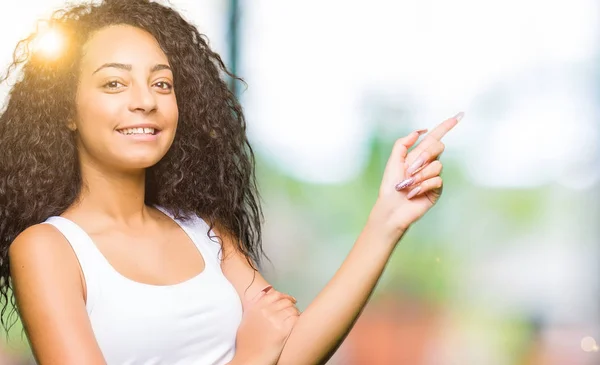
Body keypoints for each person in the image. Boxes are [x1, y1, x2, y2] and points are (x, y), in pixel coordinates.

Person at [0, 0, 461, 364]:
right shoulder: (48, 249)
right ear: (65, 111)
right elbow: (266, 350)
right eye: (114, 84)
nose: (145, 101)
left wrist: (388, 219)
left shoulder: (204, 233)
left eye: (162, 84)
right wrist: (252, 356)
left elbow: (294, 349)